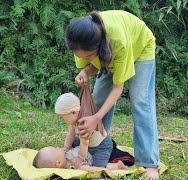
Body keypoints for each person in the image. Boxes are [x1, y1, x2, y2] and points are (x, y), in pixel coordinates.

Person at [65, 10, 160, 180]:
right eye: (80, 55)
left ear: (98, 46)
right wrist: (85, 72)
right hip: (109, 53)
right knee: (97, 100)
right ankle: (98, 148)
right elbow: (93, 64)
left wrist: (96, 117)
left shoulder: (118, 42)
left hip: (140, 48)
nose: (83, 57)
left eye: (87, 55)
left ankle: (149, 162)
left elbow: (118, 88)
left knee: (140, 101)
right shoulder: (82, 41)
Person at [54, 92, 127, 169]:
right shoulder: (74, 119)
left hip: (101, 145)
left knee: (97, 167)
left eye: (62, 117)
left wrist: (80, 158)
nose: (62, 120)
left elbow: (84, 143)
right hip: (88, 143)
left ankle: (117, 165)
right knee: (74, 141)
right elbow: (70, 134)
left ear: (74, 113)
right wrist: (66, 147)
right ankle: (84, 153)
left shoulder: (84, 124)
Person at [33, 145, 127, 177]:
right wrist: (105, 171)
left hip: (87, 148)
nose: (58, 147)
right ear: (59, 163)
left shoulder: (64, 156)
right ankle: (118, 165)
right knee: (104, 166)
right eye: (55, 149)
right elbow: (91, 169)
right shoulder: (75, 166)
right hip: (94, 154)